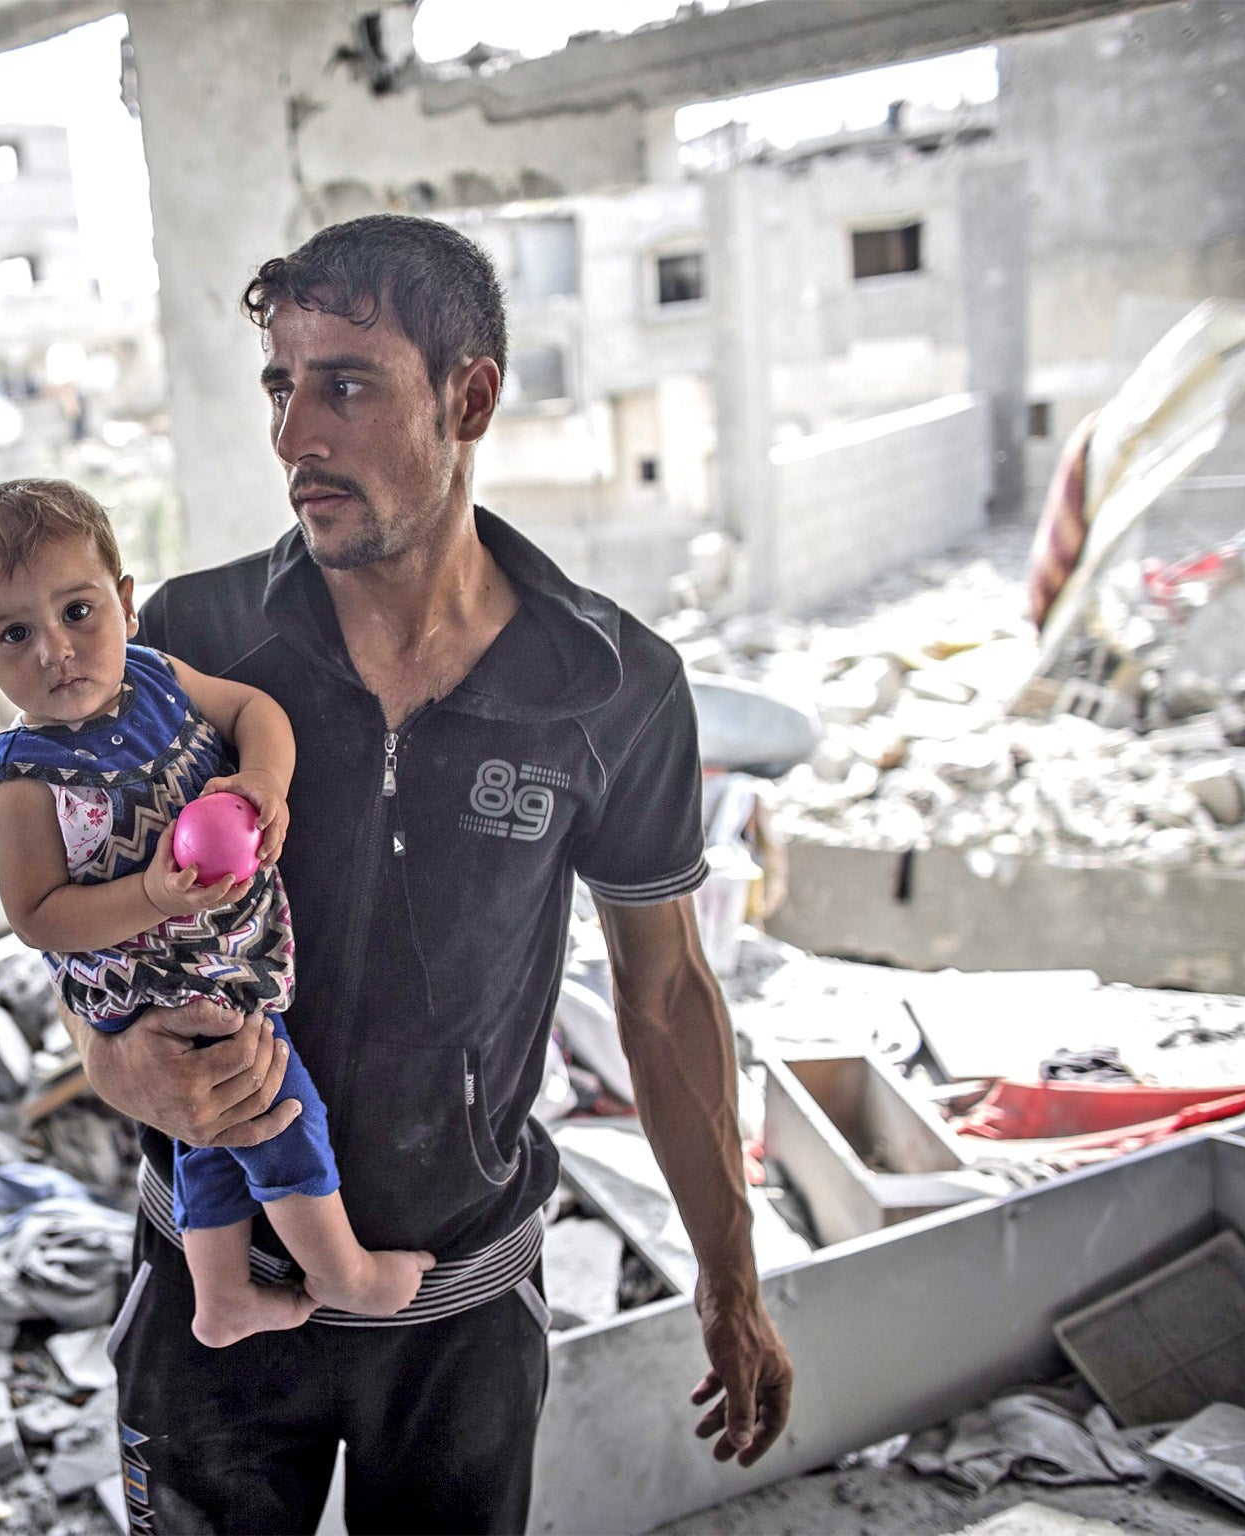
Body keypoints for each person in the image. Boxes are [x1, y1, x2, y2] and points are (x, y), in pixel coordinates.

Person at [71, 214, 795, 1535]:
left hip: (453, 1311)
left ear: (470, 397)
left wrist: (729, 1276)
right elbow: (90, 922)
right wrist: (121, 1065)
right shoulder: (194, 638)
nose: (297, 437)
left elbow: (668, 997)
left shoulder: (612, 689)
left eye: (346, 385)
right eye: (282, 389)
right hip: (213, 1288)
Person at [0, 479, 434, 1350]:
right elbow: (38, 916)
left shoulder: (158, 676)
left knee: (207, 1137)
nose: (55, 650)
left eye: (79, 611)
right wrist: (152, 898)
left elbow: (252, 711)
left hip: (220, 947)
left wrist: (261, 783)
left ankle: (223, 1297)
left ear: (125, 604)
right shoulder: (26, 779)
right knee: (273, 1107)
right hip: (153, 982)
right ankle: (342, 1271)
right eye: (13, 634)